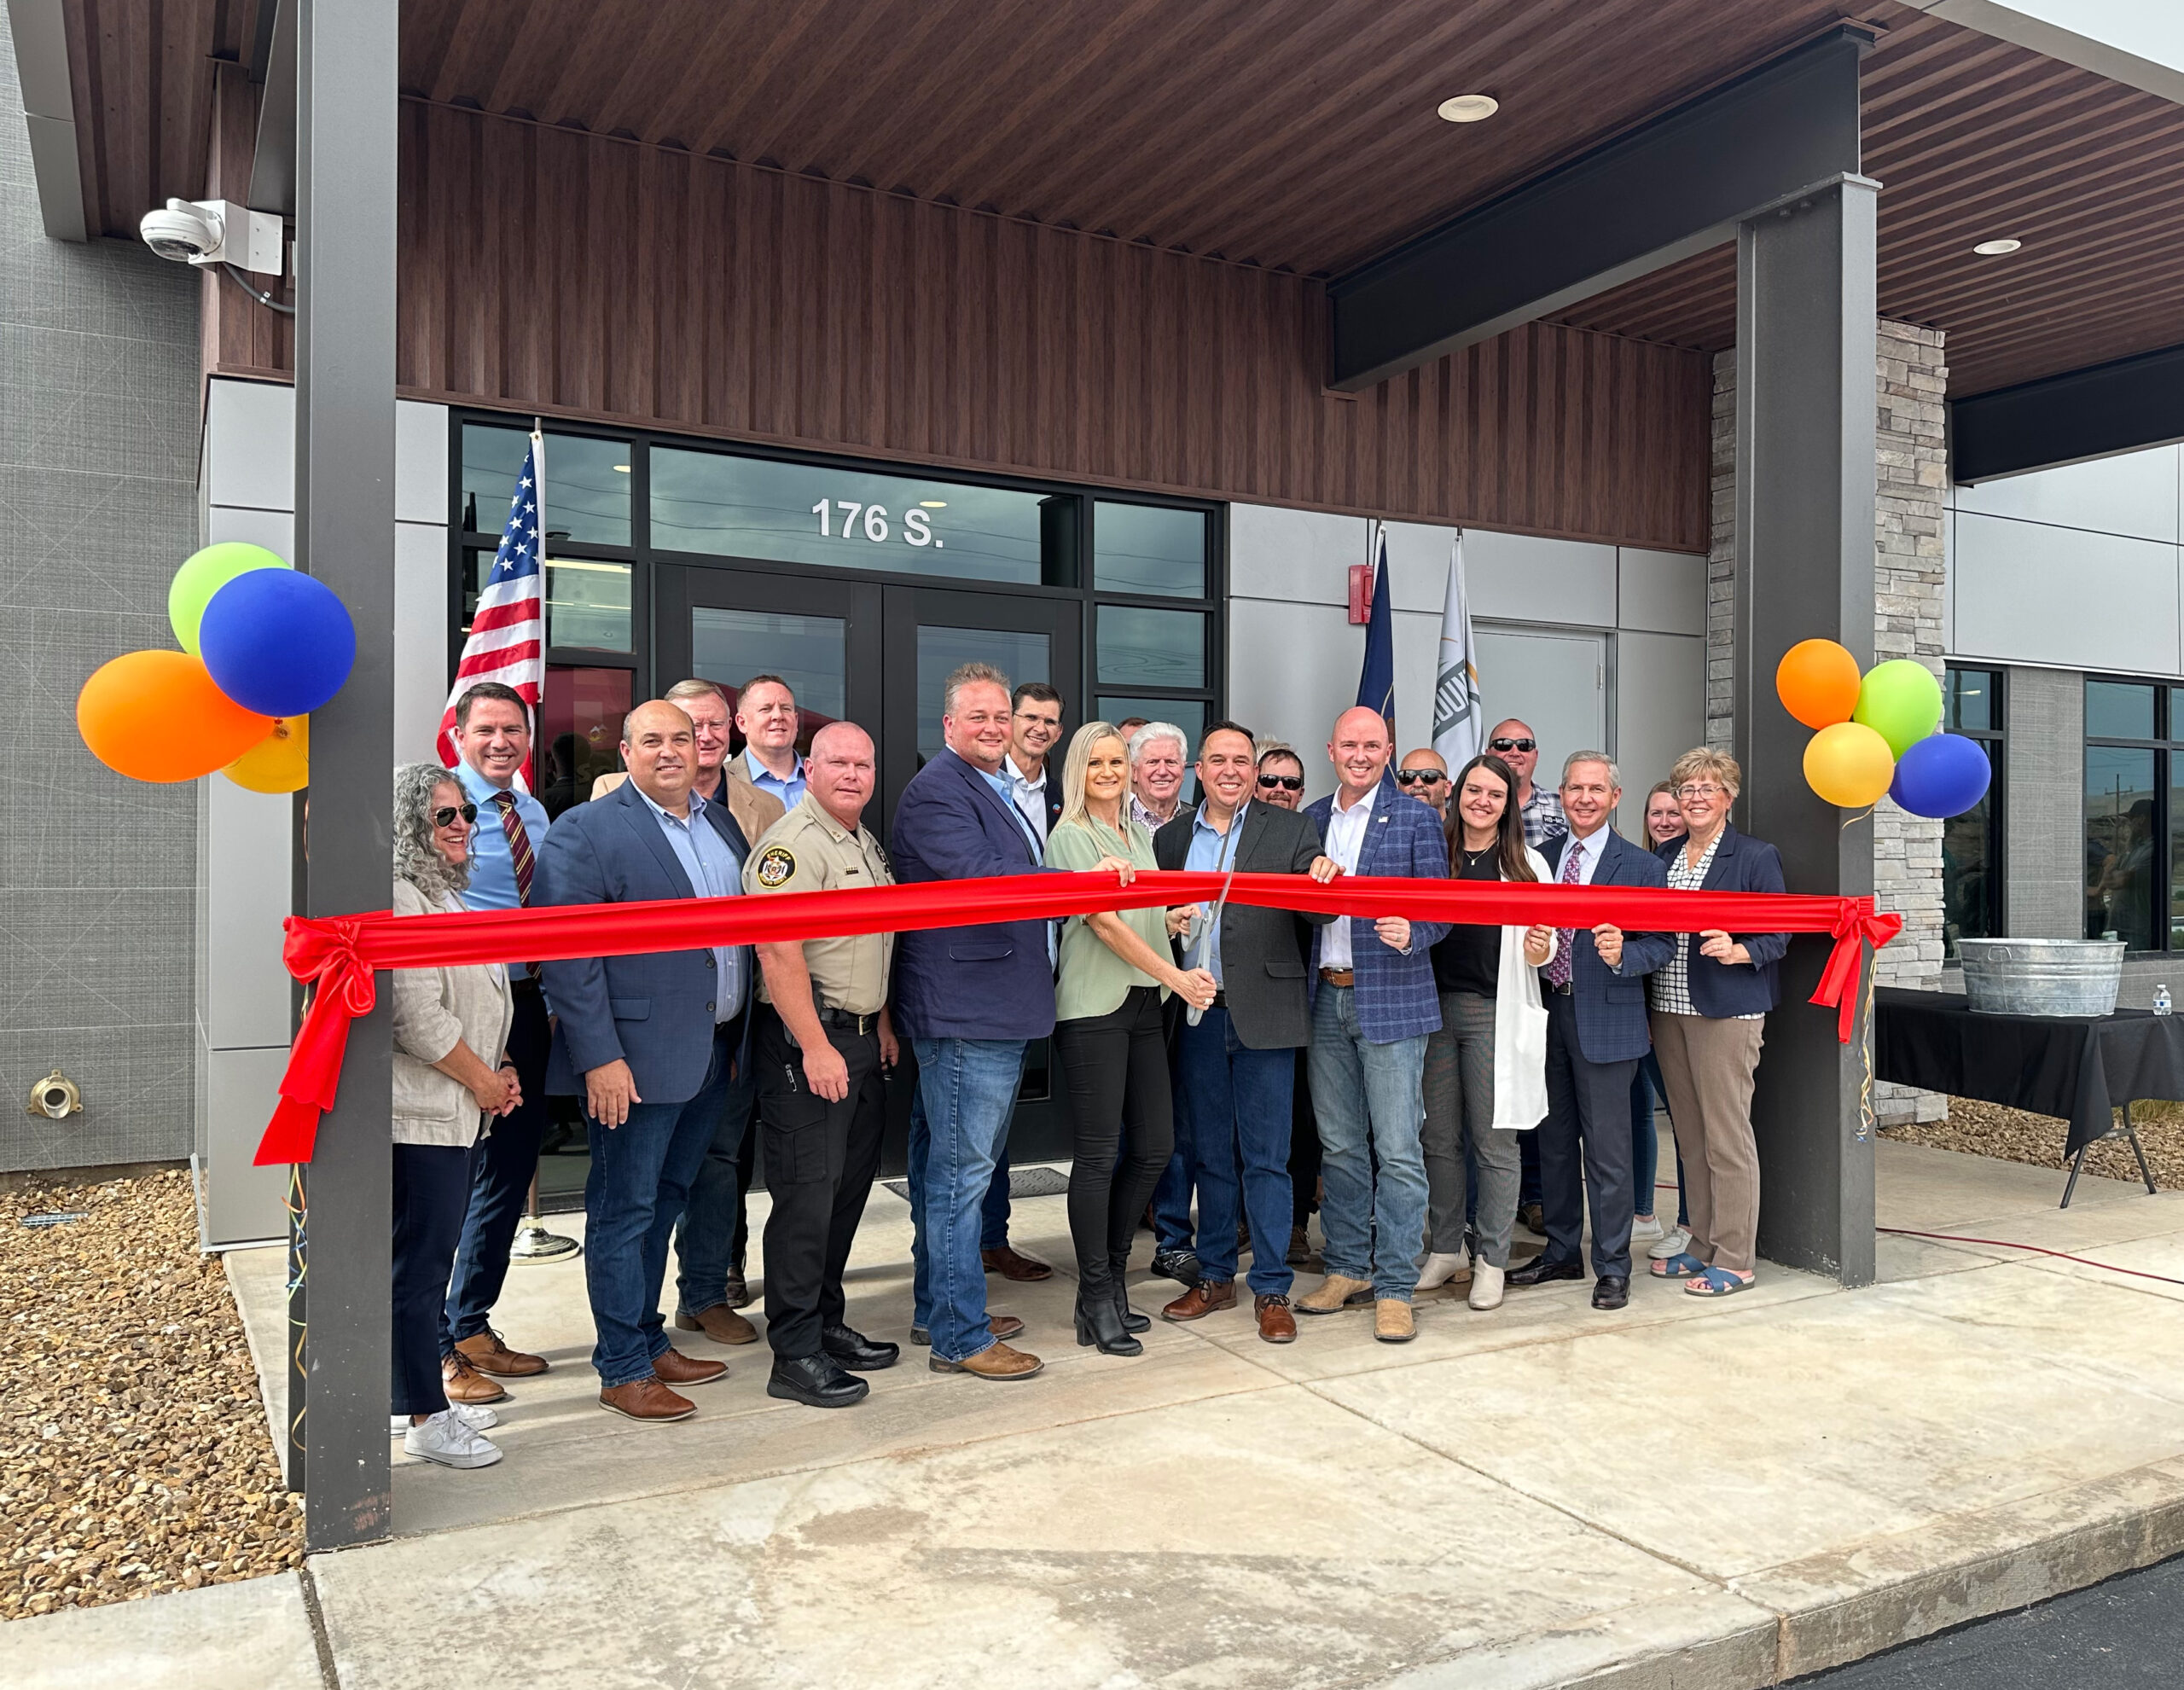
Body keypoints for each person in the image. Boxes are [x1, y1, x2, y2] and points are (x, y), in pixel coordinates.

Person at [892, 662, 1135, 1381]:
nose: (995, 728)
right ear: (948, 725)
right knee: (960, 1180)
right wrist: (1080, 885)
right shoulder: (938, 791)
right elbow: (988, 880)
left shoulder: (986, 784)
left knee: (948, 1171)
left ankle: (942, 1309)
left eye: (1001, 716)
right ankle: (961, 1337)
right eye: (979, 718)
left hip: (987, 1007)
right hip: (969, 1012)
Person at [535, 700, 758, 1422]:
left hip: (711, 1050)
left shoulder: (720, 823)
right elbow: (568, 955)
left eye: (682, 739)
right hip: (633, 1060)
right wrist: (599, 1057)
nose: (670, 751)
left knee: (665, 1202)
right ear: (624, 751)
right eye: (652, 739)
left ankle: (648, 1335)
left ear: (703, 749)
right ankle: (621, 1366)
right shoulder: (587, 831)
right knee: (623, 1210)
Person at [1153, 722, 1336, 1344]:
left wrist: (1322, 875)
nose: (1231, 769)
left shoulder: (1290, 829)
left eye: (1242, 760)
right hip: (1200, 1012)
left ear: (1255, 771)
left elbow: (1320, 912)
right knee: (1209, 1153)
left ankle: (1272, 1287)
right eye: (1218, 760)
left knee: (1267, 1157)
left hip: (1267, 1013)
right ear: (1197, 771)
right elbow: (1155, 922)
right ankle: (1214, 1277)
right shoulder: (1173, 835)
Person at [742, 723, 903, 1407]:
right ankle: (795, 1352)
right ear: (810, 768)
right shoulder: (792, 847)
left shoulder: (863, 842)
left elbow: (872, 942)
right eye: (838, 761)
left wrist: (883, 1023)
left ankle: (826, 1321)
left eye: (863, 763)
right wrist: (814, 1045)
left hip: (862, 1040)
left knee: (844, 1195)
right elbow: (778, 954)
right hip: (812, 1046)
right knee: (806, 1199)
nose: (853, 773)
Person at [1045, 722, 1216, 1354]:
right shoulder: (1070, 836)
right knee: (1096, 1156)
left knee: (1155, 1147)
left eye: (1118, 761)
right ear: (1079, 772)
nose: (1111, 773)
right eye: (1098, 763)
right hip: (1093, 1008)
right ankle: (1094, 1294)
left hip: (1144, 1004)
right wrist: (1175, 972)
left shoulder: (1137, 833)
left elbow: (1136, 913)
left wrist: (1169, 915)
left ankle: (1112, 1278)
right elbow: (1103, 925)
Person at [1296, 706, 1450, 1344]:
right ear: (1331, 749)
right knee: (1339, 1147)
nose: (1360, 754)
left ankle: (1394, 1284)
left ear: (1388, 751)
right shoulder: (1307, 822)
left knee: (1398, 1149)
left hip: (1391, 999)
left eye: (1372, 745)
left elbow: (1444, 911)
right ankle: (1347, 1267)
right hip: (1324, 1002)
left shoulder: (1416, 816)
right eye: (1349, 744)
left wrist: (1414, 932)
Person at [1507, 753, 1674, 1311]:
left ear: (1615, 797)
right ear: (1561, 793)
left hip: (1607, 1019)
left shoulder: (1641, 867)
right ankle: (1560, 1250)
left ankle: (1612, 1264)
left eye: (1595, 789)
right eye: (1575, 787)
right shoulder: (1540, 858)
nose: (1584, 797)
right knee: (1552, 1143)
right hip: (1547, 1013)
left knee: (1607, 1151)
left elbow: (1663, 944)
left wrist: (1627, 952)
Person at [389, 764, 519, 1470]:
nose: (463, 823)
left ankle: (419, 1398)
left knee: (424, 1267)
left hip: (459, 1110)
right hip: (421, 1119)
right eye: (444, 815)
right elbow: (418, 1019)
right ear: (412, 825)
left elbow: (475, 1004)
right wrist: (485, 1081)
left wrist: (502, 1071)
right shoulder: (403, 899)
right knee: (417, 1271)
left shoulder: (443, 898)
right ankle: (423, 1415)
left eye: (465, 811)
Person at [439, 681, 555, 1404]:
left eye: (513, 729)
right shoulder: (440, 812)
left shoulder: (532, 810)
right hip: (463, 1003)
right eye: (487, 729)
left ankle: (471, 1320)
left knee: (508, 1173)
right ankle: (437, 1348)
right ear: (459, 733)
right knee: (448, 1175)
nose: (502, 741)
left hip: (527, 1000)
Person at [662, 677, 783, 1334]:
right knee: (647, 1178)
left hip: (734, 1021)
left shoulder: (760, 805)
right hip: (660, 1024)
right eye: (689, 726)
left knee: (719, 1161)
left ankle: (704, 1292)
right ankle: (631, 1328)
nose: (704, 737)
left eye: (713, 725)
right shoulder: (612, 800)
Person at [1646, 749, 1789, 1297]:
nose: (1696, 798)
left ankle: (1735, 1255)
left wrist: (1740, 951)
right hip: (1669, 1008)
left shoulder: (1755, 856)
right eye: (1687, 790)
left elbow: (1779, 934)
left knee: (1727, 1138)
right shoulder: (1665, 856)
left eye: (1708, 788)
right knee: (1690, 1135)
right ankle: (1701, 1243)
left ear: (1729, 796)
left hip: (1726, 1013)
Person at [1418, 755, 1555, 1313]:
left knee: (1494, 1142)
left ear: (1509, 803)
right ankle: (1447, 1247)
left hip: (1492, 1012)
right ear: (1457, 793)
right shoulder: (1435, 852)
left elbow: (1544, 950)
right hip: (1430, 1010)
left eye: (1494, 794)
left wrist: (1539, 950)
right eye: (1473, 789)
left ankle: (1492, 1259)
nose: (1481, 800)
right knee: (1438, 1138)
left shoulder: (1528, 865)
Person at [973, 681, 1070, 1286]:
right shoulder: (984, 787)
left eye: (1049, 721)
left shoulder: (1060, 796)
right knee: (985, 1121)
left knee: (1004, 1112)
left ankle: (993, 1237)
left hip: (1054, 969)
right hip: (995, 977)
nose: (1038, 728)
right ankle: (984, 1242)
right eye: (1028, 717)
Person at [1256, 742, 1320, 1263]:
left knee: (1301, 1122)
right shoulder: (1238, 836)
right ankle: (1243, 1222)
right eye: (1270, 781)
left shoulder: (1309, 834)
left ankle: (1295, 1224)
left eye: (1291, 784)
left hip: (1305, 1001)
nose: (1280, 791)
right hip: (1249, 999)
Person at [1634, 779, 1688, 1252]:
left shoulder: (1689, 867)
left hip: (1681, 1013)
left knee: (1685, 1119)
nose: (1666, 821)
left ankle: (1691, 1222)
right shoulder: (1644, 865)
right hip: (1641, 1012)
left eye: (1674, 812)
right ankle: (1643, 1212)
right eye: (1657, 813)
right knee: (1638, 1113)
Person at [727, 672, 808, 810]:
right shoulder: (721, 780)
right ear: (742, 723)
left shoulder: (822, 777)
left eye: (785, 708)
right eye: (766, 709)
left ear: (796, 721)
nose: (778, 716)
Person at [1486, 718, 1567, 850]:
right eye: (1503, 745)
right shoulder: (1472, 805)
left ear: (1536, 756)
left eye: (1524, 745)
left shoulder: (1564, 806)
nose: (1514, 752)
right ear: (1487, 755)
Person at [1129, 721, 1189, 832]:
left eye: (1171, 762)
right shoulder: (1114, 822)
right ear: (1134, 772)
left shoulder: (1201, 821)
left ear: (1183, 770)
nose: (1162, 771)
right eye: (1153, 762)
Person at [1396, 747, 1450, 819]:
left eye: (1429, 776)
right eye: (1407, 777)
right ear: (1398, 788)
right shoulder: (1382, 829)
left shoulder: (1465, 829)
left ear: (1446, 788)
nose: (1418, 784)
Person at [1256, 742, 1307, 810]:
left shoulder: (1312, 820)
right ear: (1255, 789)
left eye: (1290, 782)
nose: (1280, 789)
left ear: (1301, 794)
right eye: (1270, 780)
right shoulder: (1238, 820)